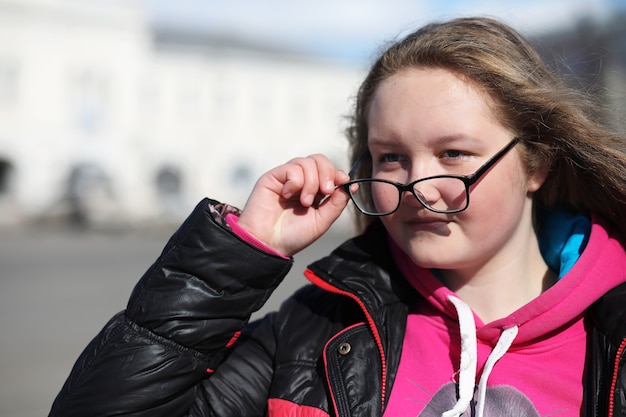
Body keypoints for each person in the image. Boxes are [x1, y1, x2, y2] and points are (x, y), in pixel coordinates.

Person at [49, 17, 626, 417]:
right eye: (390, 158)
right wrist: (236, 256)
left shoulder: (614, 332)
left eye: (453, 155)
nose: (412, 188)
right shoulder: (313, 334)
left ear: (536, 164)